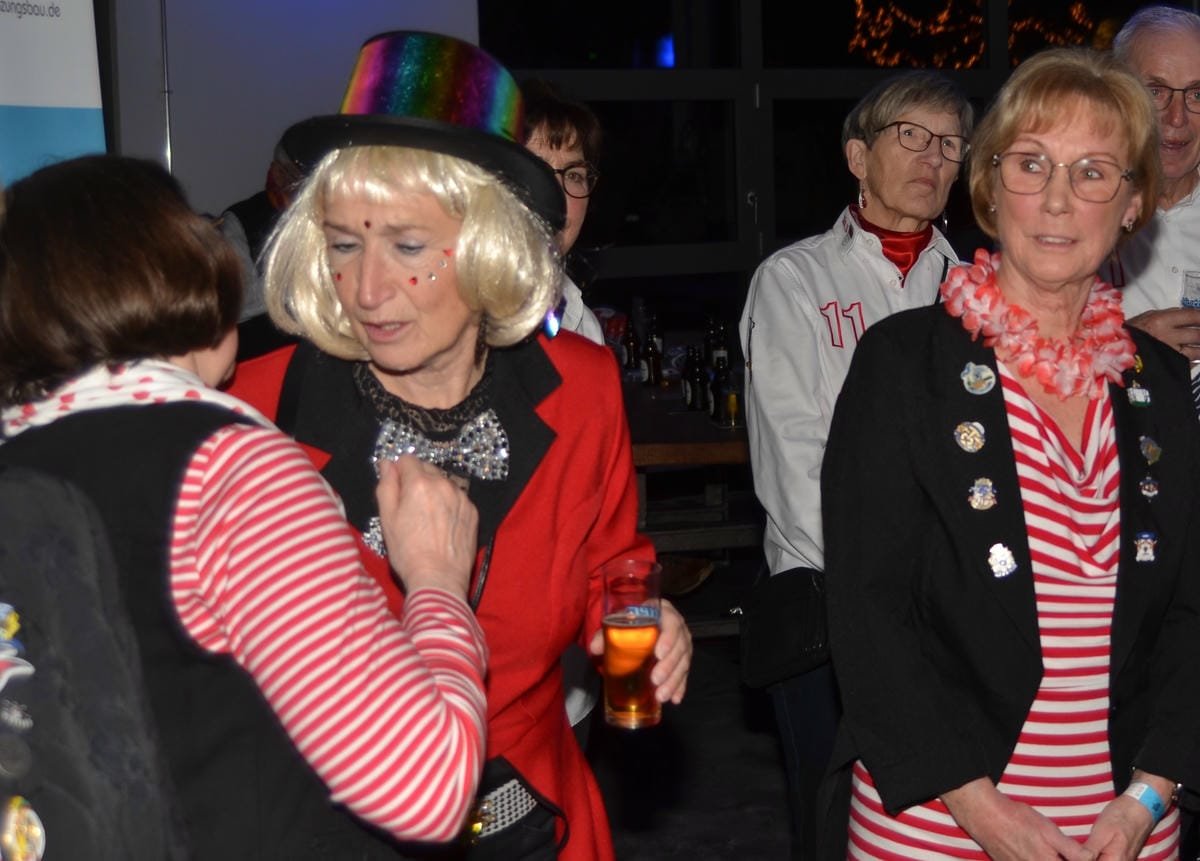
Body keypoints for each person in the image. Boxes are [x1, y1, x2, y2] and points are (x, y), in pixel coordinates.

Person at [228, 31, 692, 861]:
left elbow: (608, 569)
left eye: (407, 246)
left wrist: (646, 621)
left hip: (534, 816)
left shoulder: (582, 389)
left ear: (488, 245)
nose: (366, 289)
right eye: (343, 244)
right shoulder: (256, 410)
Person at [0, 155, 489, 857]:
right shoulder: (227, 469)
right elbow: (426, 788)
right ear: (187, 275)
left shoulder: (21, 461)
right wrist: (438, 580)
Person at [821, 47, 1200, 860]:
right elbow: (868, 613)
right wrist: (986, 813)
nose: (1058, 199)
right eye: (1031, 164)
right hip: (936, 823)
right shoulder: (904, 366)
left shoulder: (1164, 384)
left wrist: (1145, 798)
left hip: (1130, 829)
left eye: (1093, 172)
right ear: (991, 186)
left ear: (1134, 202)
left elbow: (1191, 616)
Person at [737, 69, 972, 860]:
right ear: (857, 156)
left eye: (950, 143)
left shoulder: (977, 292)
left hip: (957, 608)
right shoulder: (795, 281)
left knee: (943, 815)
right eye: (911, 135)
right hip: (830, 602)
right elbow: (793, 460)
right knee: (833, 815)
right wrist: (886, 590)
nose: (933, 156)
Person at [1105, 6, 1200, 366]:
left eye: (1197, 94)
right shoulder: (1070, 214)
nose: (1177, 117)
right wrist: (1125, 343)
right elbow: (1021, 353)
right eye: (1156, 91)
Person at [521, 78, 605, 345]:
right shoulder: (446, 327)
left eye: (573, 175)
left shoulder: (584, 329)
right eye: (537, 171)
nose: (557, 196)